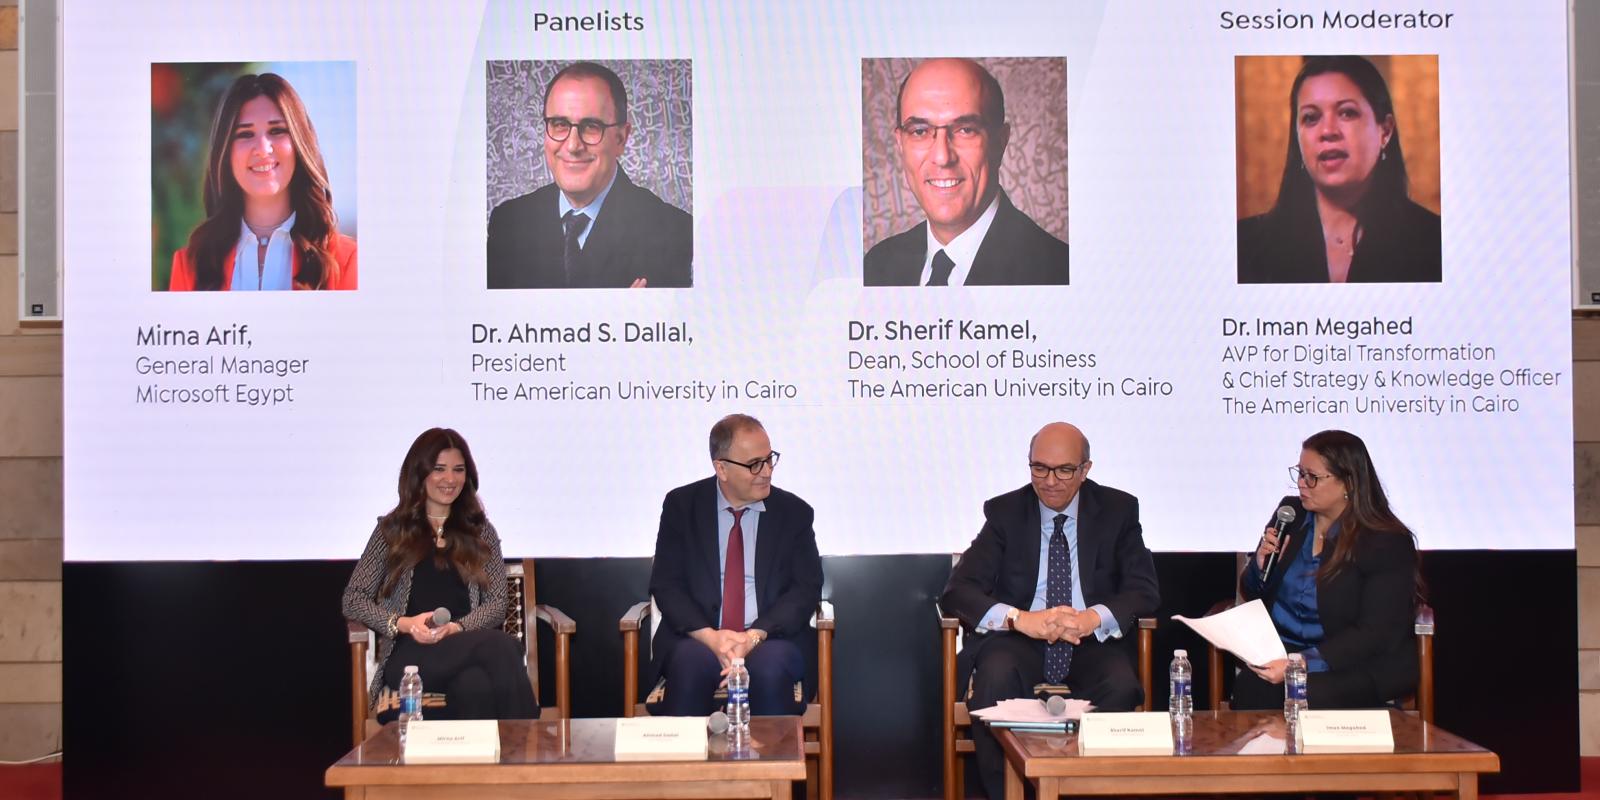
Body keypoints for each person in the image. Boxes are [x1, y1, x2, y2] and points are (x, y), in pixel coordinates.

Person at [942, 422, 1158, 800]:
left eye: (1064, 470)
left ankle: (1085, 792)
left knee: (1123, 686)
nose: (1050, 481)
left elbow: (1144, 590)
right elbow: (958, 591)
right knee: (993, 678)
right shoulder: (1006, 512)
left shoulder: (1118, 510)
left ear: (1085, 470)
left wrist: (1091, 618)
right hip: (1020, 640)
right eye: (1039, 468)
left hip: (1090, 641)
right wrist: (1020, 619)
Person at [342, 428, 538, 721]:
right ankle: (526, 753)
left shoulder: (481, 531)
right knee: (503, 646)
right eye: (439, 469)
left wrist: (456, 628)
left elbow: (498, 604)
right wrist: (404, 624)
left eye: (458, 470)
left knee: (475, 686)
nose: (450, 479)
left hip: (466, 644)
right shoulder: (391, 531)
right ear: (419, 473)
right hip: (411, 656)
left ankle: (478, 766)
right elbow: (353, 599)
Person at [646, 414, 823, 716]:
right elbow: (666, 584)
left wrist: (754, 636)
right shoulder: (682, 506)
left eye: (770, 460)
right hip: (699, 637)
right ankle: (691, 764)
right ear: (722, 468)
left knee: (768, 671)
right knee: (690, 668)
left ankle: (769, 764)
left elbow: (805, 588)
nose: (766, 471)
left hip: (770, 638)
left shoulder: (793, 513)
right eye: (755, 464)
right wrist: (710, 637)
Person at [1233, 429, 1421, 711]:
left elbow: (1375, 632)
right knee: (1251, 686)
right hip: (1284, 654)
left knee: (1306, 694)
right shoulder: (1291, 515)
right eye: (1299, 473)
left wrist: (1301, 663)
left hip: (1350, 662)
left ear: (1349, 483)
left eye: (1313, 477)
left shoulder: (1385, 541)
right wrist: (1260, 568)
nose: (1302, 485)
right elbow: (1254, 592)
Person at [487, 61, 692, 289]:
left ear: (621, 139)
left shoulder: (672, 232)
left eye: (592, 126)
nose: (573, 145)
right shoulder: (508, 223)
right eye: (559, 124)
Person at [864, 58, 1068, 287]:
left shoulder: (1057, 271)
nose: (942, 157)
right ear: (900, 144)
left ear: (1000, 143)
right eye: (920, 131)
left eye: (965, 130)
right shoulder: (877, 266)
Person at [1237, 55, 1441, 284]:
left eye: (1347, 113)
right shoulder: (1243, 246)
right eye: (1311, 118)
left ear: (1385, 131)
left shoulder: (1436, 243)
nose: (1328, 131)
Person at [169, 73, 357, 291]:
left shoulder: (347, 261)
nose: (262, 148)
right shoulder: (189, 266)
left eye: (277, 130)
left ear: (299, 145)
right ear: (226, 153)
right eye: (245, 134)